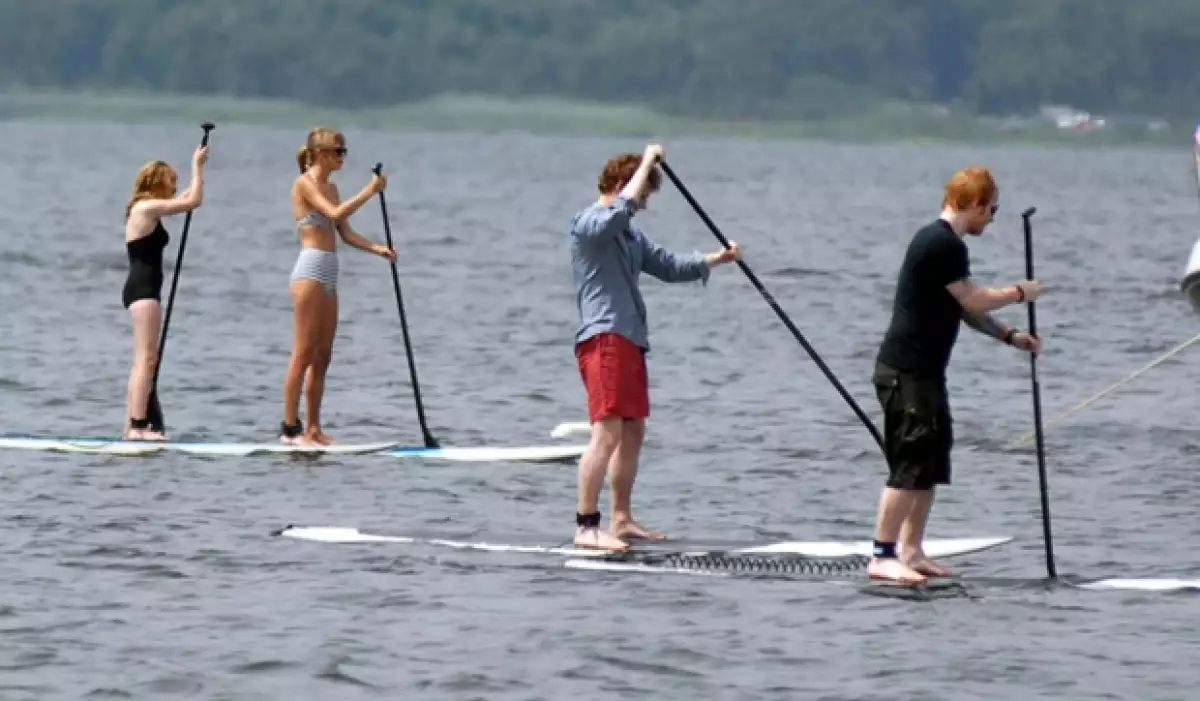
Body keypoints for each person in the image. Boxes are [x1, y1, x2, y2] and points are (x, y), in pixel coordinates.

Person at [868, 166, 1043, 585]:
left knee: (931, 460)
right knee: (911, 462)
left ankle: (912, 550)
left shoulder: (949, 246)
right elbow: (975, 297)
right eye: (992, 210)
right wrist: (1020, 293)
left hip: (926, 373)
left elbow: (964, 310)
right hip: (905, 371)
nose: (992, 218)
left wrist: (1009, 336)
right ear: (977, 205)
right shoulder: (940, 243)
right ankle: (882, 555)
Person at [568, 144, 742, 550]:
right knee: (606, 433)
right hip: (603, 337)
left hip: (629, 339)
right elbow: (613, 216)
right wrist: (646, 161)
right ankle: (586, 525)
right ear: (621, 185)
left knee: (632, 432)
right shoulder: (588, 223)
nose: (643, 205)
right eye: (642, 195)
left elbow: (666, 265)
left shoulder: (629, 232)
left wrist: (717, 259)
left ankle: (621, 518)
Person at [282, 126, 394, 446]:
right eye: (338, 151)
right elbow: (332, 213)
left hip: (330, 271)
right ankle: (290, 428)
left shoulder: (332, 187)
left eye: (345, 151)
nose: (343, 157)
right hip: (310, 268)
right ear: (319, 153)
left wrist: (378, 249)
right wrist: (370, 191)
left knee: (323, 355)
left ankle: (314, 428)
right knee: (302, 352)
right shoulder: (304, 184)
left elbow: (344, 231)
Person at [121, 146, 208, 441]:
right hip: (144, 291)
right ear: (157, 182)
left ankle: (132, 423)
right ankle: (137, 425)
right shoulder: (145, 209)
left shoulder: (147, 208)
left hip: (144, 289)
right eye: (170, 180)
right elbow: (193, 200)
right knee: (146, 359)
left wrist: (196, 175)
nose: (173, 186)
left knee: (144, 359)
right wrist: (197, 166)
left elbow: (185, 198)